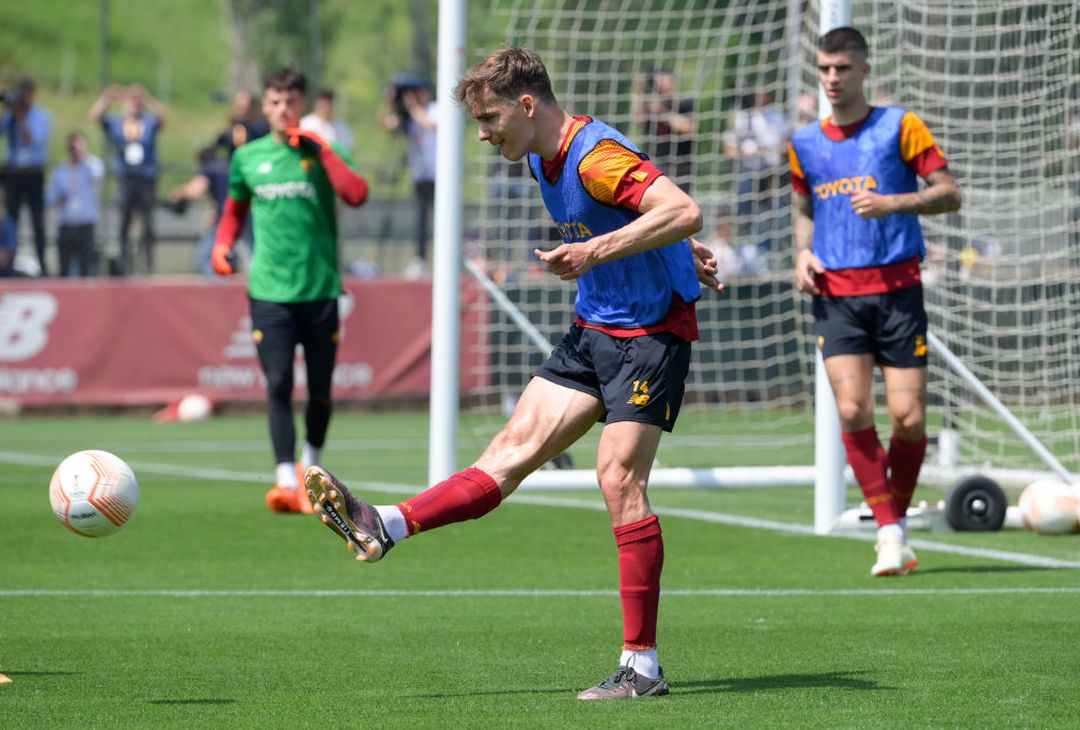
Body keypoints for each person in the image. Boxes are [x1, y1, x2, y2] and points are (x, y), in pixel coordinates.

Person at [303, 47, 723, 701]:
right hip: (594, 329)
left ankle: (641, 667)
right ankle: (386, 524)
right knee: (505, 457)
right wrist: (664, 241)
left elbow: (683, 208)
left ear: (527, 105)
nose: (483, 133)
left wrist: (604, 247)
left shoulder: (593, 155)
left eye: (490, 117)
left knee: (617, 477)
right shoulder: (537, 156)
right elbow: (653, 216)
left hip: (651, 333)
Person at [789, 27, 961, 576]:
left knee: (909, 419)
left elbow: (949, 193)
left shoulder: (900, 126)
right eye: (824, 69)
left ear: (863, 70)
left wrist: (894, 203)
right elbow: (804, 210)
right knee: (851, 409)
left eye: (842, 68)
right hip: (836, 296)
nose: (832, 78)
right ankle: (890, 531)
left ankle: (895, 521)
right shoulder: (804, 143)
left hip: (898, 292)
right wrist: (801, 253)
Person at [211, 66, 369, 514]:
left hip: (319, 291)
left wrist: (323, 152)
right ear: (265, 106)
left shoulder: (321, 152)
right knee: (278, 384)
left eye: (290, 102)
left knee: (320, 391)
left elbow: (357, 193)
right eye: (275, 102)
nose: (283, 109)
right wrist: (222, 244)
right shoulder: (247, 157)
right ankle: (283, 480)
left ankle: (310, 469)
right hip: (269, 293)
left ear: (301, 106)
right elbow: (234, 211)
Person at [90, 83, 166, 275]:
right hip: (125, 178)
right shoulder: (117, 122)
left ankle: (148, 265)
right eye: (131, 100)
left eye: (136, 100)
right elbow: (95, 117)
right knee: (123, 222)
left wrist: (146, 98)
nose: (134, 103)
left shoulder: (148, 122)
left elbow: (162, 117)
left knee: (148, 224)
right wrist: (108, 97)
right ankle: (123, 265)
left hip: (146, 177)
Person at [724, 89, 790, 265]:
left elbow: (787, 143)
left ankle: (771, 259)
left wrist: (771, 151)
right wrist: (748, 153)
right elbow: (729, 148)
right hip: (747, 172)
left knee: (774, 216)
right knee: (741, 215)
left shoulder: (776, 115)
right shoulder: (741, 118)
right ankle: (738, 259)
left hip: (772, 173)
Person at [380, 78, 437, 276]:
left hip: (438, 176)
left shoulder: (435, 109)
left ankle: (444, 259)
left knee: (440, 219)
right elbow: (388, 124)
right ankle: (420, 259)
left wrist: (413, 107)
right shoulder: (409, 116)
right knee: (420, 220)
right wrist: (391, 102)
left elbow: (430, 124)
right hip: (420, 176)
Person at [2, 78, 52, 275]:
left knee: (37, 221)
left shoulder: (41, 116)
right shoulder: (10, 115)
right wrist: (10, 111)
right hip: (13, 172)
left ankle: (43, 265)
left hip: (33, 173)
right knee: (11, 220)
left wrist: (21, 117)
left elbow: (32, 140)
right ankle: (9, 262)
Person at [45, 131, 104, 277]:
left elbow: (98, 173)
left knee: (86, 266)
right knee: (64, 267)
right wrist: (59, 200)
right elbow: (50, 198)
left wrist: (83, 154)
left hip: (85, 224)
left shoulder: (91, 166)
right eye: (73, 147)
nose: (75, 150)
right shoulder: (61, 172)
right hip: (66, 224)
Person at [166, 145, 230, 276]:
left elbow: (196, 190)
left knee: (203, 258)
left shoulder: (210, 167)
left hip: (226, 218)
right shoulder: (224, 166)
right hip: (238, 214)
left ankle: (222, 288)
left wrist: (178, 193)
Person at [632, 69, 696, 192]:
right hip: (655, 163)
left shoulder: (685, 103)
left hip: (680, 166)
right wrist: (639, 90)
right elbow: (638, 119)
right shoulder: (650, 103)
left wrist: (662, 112)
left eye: (663, 79)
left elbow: (689, 128)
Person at [215, 90, 269, 158]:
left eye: (244, 108)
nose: (242, 111)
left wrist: (245, 123)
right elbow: (221, 142)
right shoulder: (233, 125)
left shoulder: (259, 125)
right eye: (240, 108)